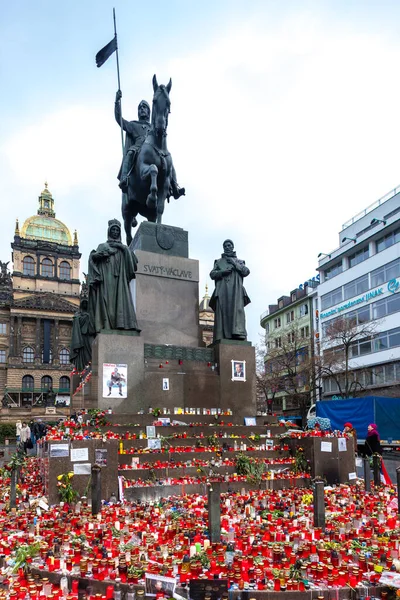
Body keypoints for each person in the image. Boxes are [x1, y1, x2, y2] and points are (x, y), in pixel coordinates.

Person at [115, 90, 184, 199]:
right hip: (138, 148)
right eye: (140, 108)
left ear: (149, 111)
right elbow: (120, 120)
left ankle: (174, 186)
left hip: (154, 150)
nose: (142, 109)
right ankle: (124, 178)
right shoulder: (133, 125)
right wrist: (117, 102)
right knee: (130, 153)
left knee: (168, 158)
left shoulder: (153, 126)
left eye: (144, 107)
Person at [87, 219, 140, 332]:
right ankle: (106, 325)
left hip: (120, 280)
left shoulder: (124, 248)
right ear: (109, 231)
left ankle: (122, 324)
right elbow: (93, 258)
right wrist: (102, 254)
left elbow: (134, 262)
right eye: (113, 230)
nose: (115, 232)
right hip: (106, 278)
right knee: (107, 302)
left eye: (117, 230)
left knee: (120, 301)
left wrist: (124, 248)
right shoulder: (103, 246)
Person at [209, 240, 251, 342]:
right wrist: (223, 272)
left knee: (237, 312)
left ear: (232, 247)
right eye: (225, 246)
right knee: (222, 313)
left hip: (236, 291)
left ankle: (237, 334)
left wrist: (234, 263)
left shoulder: (240, 261)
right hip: (223, 291)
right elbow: (212, 274)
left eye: (229, 245)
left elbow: (246, 271)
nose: (227, 247)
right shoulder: (218, 262)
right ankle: (222, 335)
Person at [70, 297, 96, 371]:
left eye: (86, 303)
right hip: (81, 336)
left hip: (89, 335)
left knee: (92, 350)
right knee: (83, 353)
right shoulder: (78, 314)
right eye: (83, 303)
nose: (85, 305)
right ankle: (84, 368)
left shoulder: (91, 314)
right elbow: (75, 322)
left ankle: (90, 366)